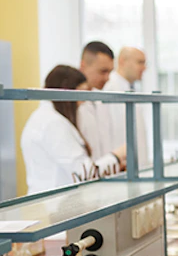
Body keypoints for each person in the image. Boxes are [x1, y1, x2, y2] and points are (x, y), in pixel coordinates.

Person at [21, 65, 125, 194]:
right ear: (66, 94)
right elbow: (85, 173)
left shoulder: (47, 118)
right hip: (52, 205)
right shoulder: (53, 123)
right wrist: (117, 156)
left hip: (54, 203)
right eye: (78, 97)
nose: (81, 103)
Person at [102, 46, 149, 167]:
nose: (144, 68)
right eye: (140, 62)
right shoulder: (110, 89)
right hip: (120, 166)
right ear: (122, 61)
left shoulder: (131, 89)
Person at [76, 41, 115, 160]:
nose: (107, 78)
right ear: (83, 67)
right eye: (103, 71)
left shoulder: (100, 102)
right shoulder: (71, 105)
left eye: (110, 72)